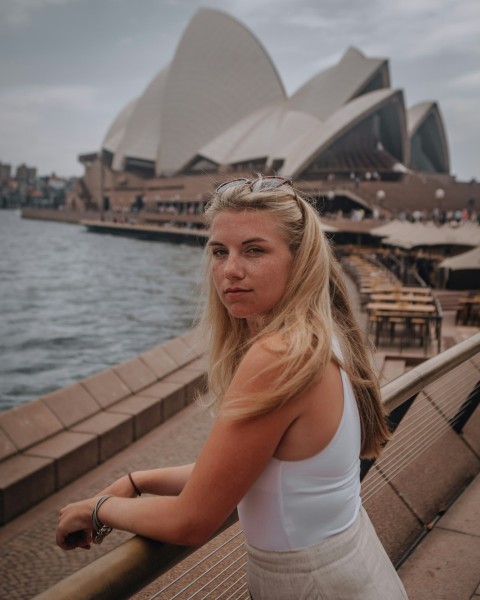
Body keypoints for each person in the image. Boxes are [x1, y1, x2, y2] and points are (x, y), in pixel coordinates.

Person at [56, 176, 408, 599]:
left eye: (254, 250)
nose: (230, 270)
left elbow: (193, 520)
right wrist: (137, 480)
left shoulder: (280, 356)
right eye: (219, 252)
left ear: (300, 259)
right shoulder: (325, 336)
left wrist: (97, 509)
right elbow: (249, 469)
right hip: (352, 568)